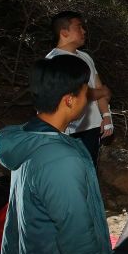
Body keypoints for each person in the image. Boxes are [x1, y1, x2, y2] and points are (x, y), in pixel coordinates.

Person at [0, 55, 115, 254]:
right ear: (69, 100)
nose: (88, 99)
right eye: (85, 93)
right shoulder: (61, 159)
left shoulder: (27, 137)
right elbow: (76, 235)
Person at [46, 11, 113, 166]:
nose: (84, 31)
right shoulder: (53, 60)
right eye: (79, 27)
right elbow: (72, 95)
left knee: (89, 170)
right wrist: (101, 92)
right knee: (71, 173)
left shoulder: (85, 57)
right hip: (67, 129)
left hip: (92, 127)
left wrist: (106, 116)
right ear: (64, 32)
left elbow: (98, 86)